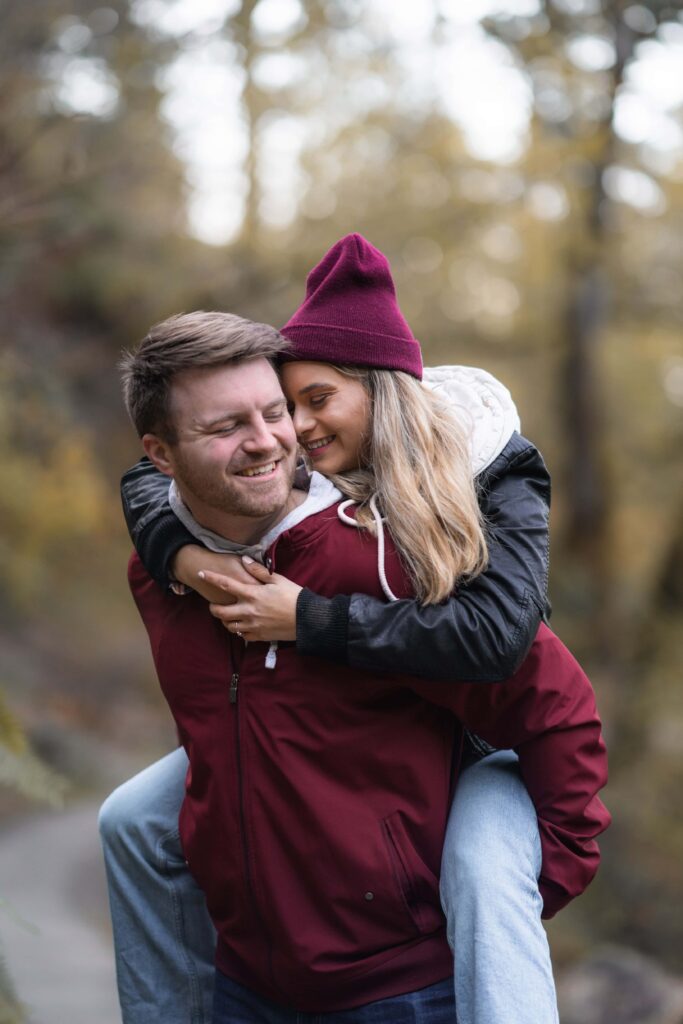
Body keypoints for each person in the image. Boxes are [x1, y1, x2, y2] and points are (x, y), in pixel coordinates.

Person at [104, 264, 608, 1021]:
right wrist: (176, 554)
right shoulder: (166, 571)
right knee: (131, 820)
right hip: (249, 982)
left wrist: (551, 866)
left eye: (286, 410)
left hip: (396, 986)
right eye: (224, 426)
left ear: (378, 397)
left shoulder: (393, 543)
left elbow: (528, 673)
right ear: (161, 454)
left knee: (482, 862)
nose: (277, 437)